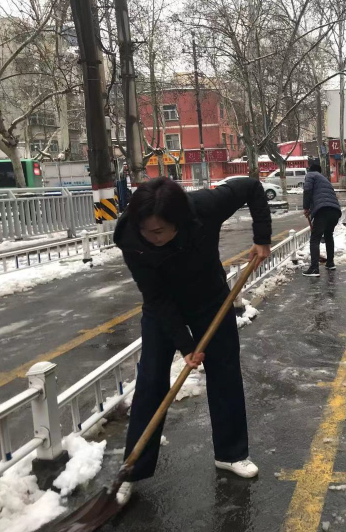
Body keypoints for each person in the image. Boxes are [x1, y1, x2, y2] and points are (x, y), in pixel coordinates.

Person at [112, 177, 272, 504]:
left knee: (225, 371)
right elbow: (155, 298)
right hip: (163, 309)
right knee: (152, 381)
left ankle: (230, 453)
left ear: (179, 221)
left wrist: (262, 237)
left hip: (211, 300)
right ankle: (134, 467)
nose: (151, 238)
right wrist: (186, 347)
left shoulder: (204, 207)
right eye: (146, 231)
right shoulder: (131, 237)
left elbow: (251, 188)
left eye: (158, 231)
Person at [302, 163, 342, 277]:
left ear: (310, 169)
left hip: (322, 210)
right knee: (328, 235)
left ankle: (314, 268)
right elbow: (322, 196)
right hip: (335, 211)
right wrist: (311, 208)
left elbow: (307, 190)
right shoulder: (325, 180)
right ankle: (330, 262)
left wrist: (305, 207)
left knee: (315, 238)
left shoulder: (310, 175)